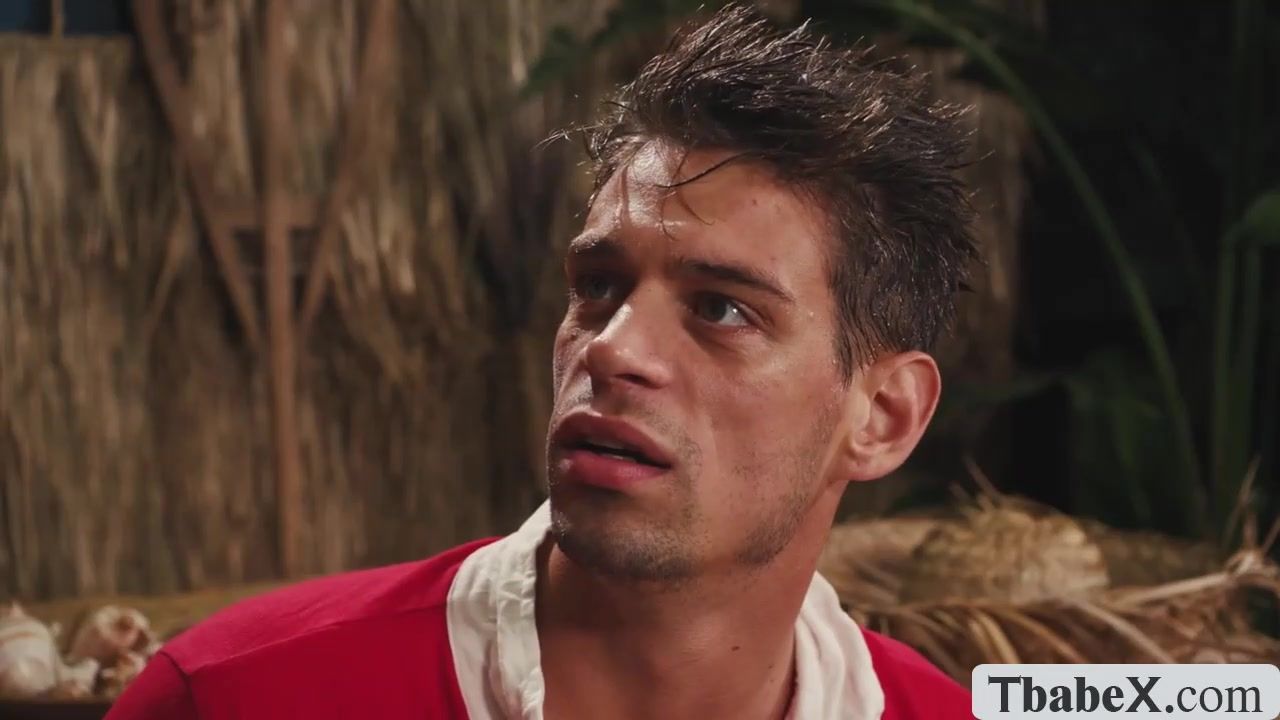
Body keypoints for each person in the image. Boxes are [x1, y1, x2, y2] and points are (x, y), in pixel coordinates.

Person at [107, 4, 977, 719]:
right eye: (598, 286)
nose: (612, 348)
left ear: (882, 417)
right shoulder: (236, 698)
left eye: (721, 309)